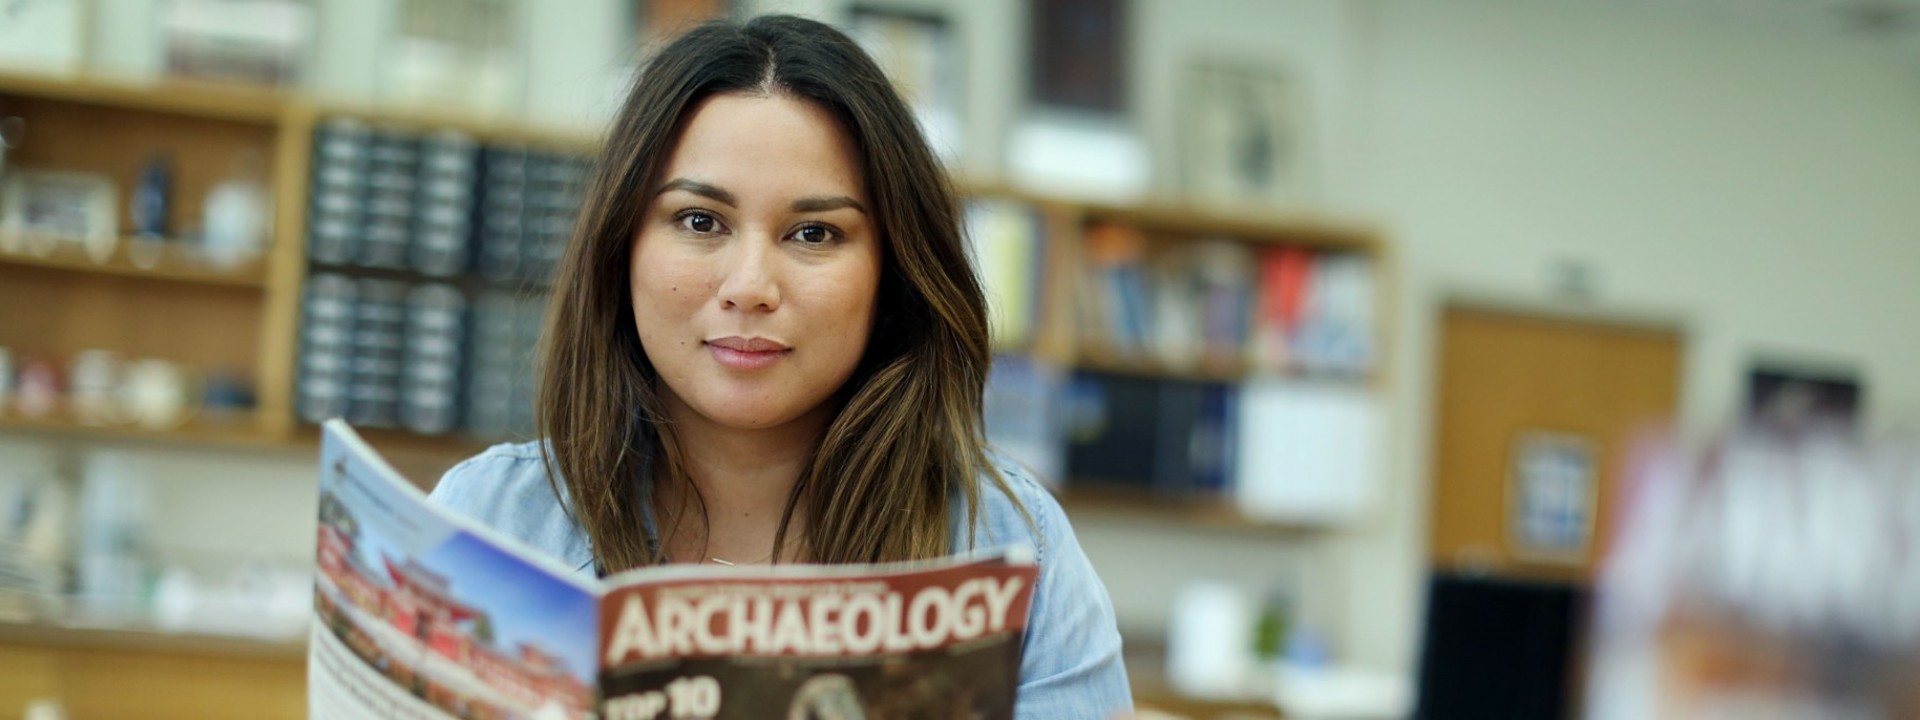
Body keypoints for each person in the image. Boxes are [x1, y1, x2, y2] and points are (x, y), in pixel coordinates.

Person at [427, 14, 1132, 718]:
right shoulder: (488, 518)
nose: (750, 285)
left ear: (891, 272)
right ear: (623, 245)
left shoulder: (1007, 541)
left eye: (814, 233)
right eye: (700, 221)